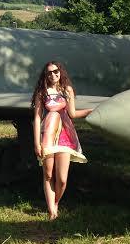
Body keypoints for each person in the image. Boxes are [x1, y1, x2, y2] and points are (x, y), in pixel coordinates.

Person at [31, 61, 92, 220]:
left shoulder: (67, 90)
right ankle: (52, 211)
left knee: (62, 179)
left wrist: (91, 111)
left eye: (56, 71)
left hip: (65, 136)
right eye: (49, 72)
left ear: (60, 71)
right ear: (46, 75)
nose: (53, 75)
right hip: (48, 135)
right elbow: (37, 118)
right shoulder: (42, 92)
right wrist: (36, 142)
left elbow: (72, 114)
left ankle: (56, 202)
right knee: (48, 174)